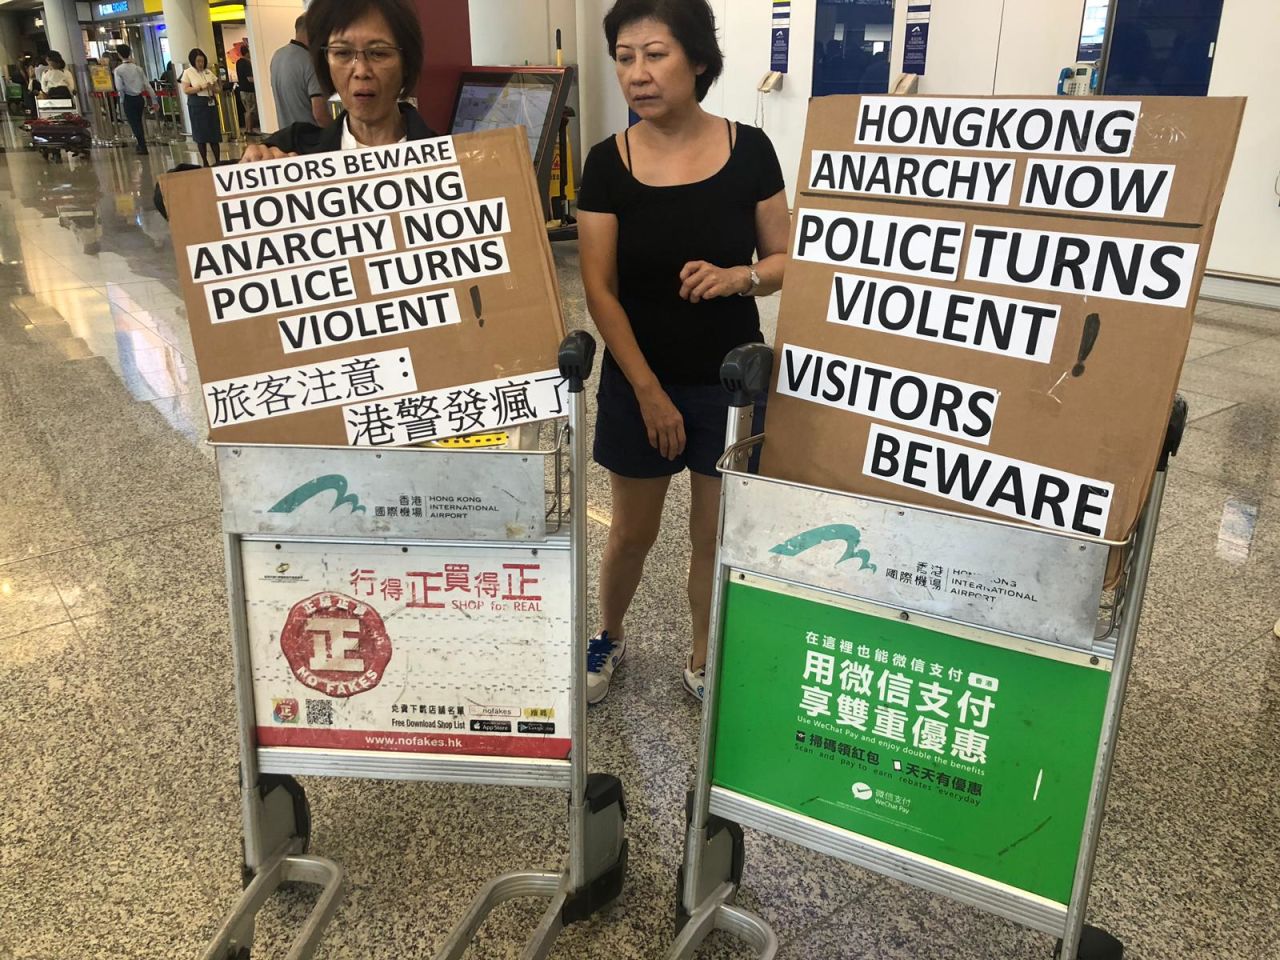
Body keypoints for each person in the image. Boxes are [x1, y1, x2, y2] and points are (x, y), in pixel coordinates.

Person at [576, 0, 789, 704]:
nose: (638, 73)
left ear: (698, 60)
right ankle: (608, 634)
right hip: (641, 380)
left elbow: (789, 257)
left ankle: (703, 652)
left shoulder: (750, 149)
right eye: (626, 57)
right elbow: (600, 290)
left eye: (656, 54)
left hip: (730, 382)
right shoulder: (608, 164)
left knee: (712, 534)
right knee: (632, 533)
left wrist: (742, 277)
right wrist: (646, 390)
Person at [241, 0, 432, 161]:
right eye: (342, 53)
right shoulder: (294, 149)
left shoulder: (452, 159)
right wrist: (253, 167)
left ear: (405, 63)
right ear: (326, 62)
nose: (361, 71)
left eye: (379, 53)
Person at [270, 14, 331, 128]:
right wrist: (335, 133)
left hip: (286, 137)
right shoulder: (311, 61)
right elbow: (320, 115)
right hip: (311, 140)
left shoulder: (277, 56)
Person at [181, 49, 223, 166]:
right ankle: (205, 161)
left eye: (202, 61)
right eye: (198, 61)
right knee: (201, 134)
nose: (201, 64)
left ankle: (218, 160)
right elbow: (186, 89)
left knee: (214, 133)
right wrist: (200, 87)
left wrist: (212, 88)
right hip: (197, 105)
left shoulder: (208, 72)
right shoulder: (188, 72)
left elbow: (218, 89)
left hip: (210, 104)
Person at [112, 44, 156, 155]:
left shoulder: (118, 70)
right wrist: (154, 100)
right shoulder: (138, 68)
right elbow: (147, 85)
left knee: (134, 123)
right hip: (139, 98)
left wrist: (122, 99)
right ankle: (141, 144)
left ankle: (142, 146)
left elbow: (119, 87)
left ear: (119, 55)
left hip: (128, 99)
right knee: (139, 122)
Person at [235, 43, 259, 133]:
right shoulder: (246, 63)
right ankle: (250, 130)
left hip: (242, 89)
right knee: (250, 110)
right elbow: (250, 78)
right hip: (249, 90)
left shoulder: (238, 62)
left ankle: (247, 129)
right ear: (247, 53)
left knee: (247, 110)